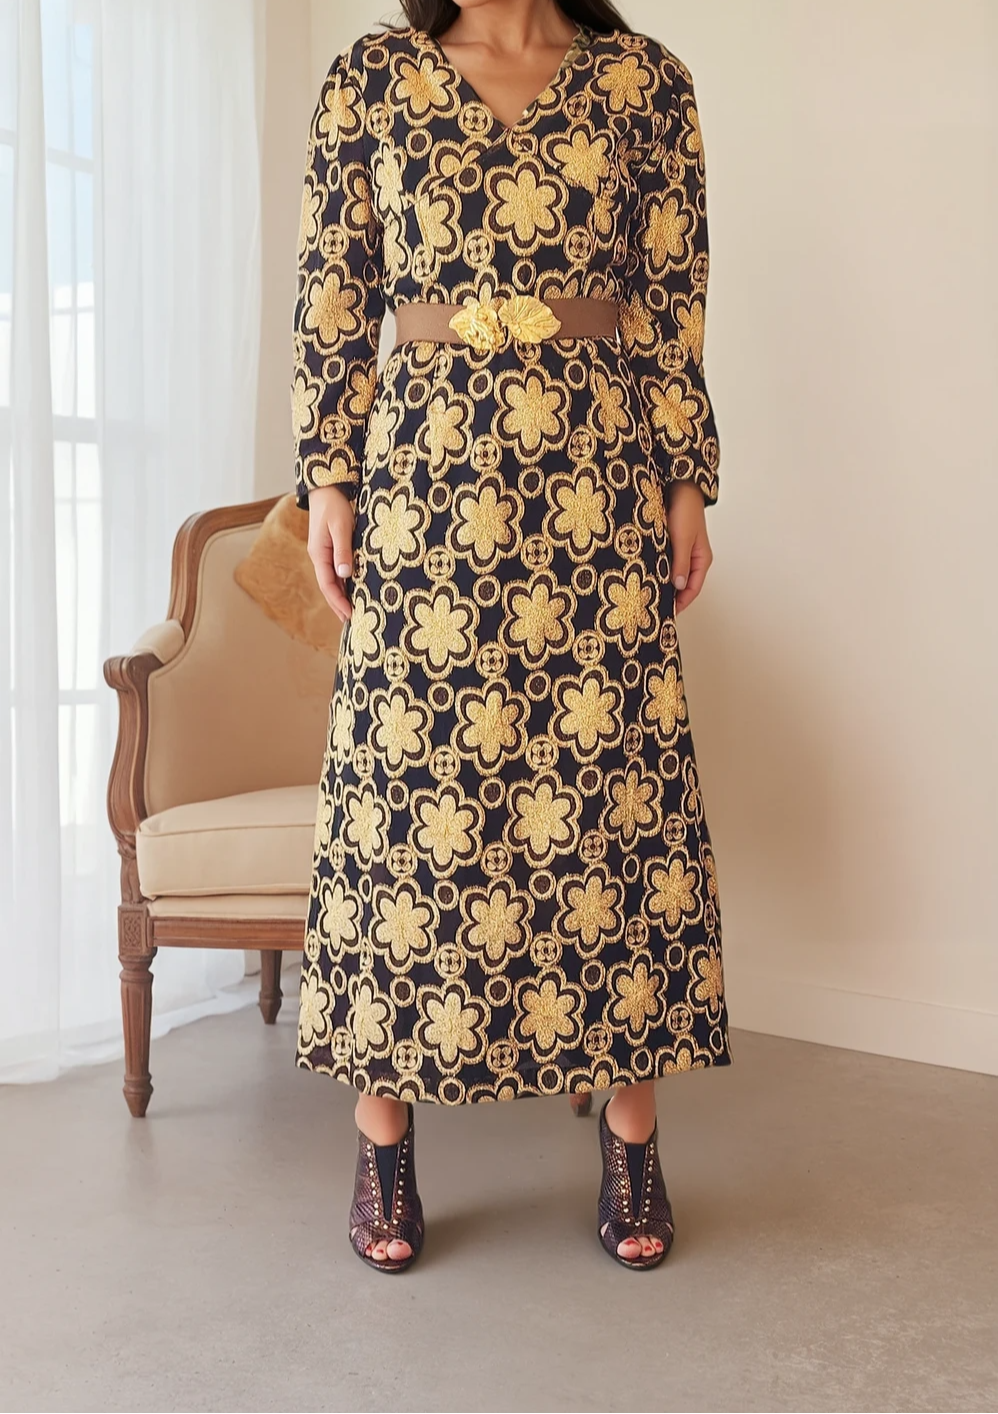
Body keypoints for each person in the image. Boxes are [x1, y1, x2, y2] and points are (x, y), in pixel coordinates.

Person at [293, 0, 729, 1272]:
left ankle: (633, 1143)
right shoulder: (370, 75)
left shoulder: (647, 80)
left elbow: (669, 299)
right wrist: (328, 477)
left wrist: (685, 479)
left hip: (597, 481)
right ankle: (382, 1143)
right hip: (424, 487)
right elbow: (336, 290)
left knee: (612, 796)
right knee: (405, 798)